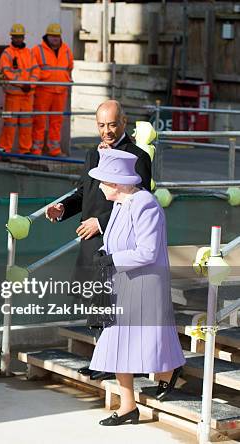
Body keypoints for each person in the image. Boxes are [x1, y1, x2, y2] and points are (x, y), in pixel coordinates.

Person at [45, 100, 151, 378]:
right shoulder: (93, 155)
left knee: (116, 305)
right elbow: (83, 193)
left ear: (124, 123)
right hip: (91, 241)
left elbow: (140, 200)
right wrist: (63, 209)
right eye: (102, 125)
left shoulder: (138, 156)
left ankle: (117, 364)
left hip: (117, 241)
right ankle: (104, 360)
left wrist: (101, 223)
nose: (107, 131)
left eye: (113, 124)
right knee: (97, 305)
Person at [86, 149, 185, 426]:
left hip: (143, 285)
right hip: (122, 283)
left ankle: (167, 372)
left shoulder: (145, 203)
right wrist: (104, 253)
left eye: (104, 181)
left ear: (116, 183)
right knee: (117, 342)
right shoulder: (120, 205)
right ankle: (129, 405)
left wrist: (112, 260)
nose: (100, 186)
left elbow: (148, 252)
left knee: (136, 342)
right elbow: (117, 239)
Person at [32, 23, 74, 156]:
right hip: (43, 90)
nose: (55, 38)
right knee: (39, 120)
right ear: (47, 36)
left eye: (57, 36)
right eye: (52, 36)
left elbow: (69, 67)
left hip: (60, 91)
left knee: (56, 122)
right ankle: (36, 149)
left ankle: (54, 149)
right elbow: (33, 68)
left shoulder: (66, 50)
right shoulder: (37, 50)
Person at [0, 23, 38, 154]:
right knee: (9, 124)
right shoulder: (7, 53)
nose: (18, 39)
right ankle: (5, 149)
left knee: (26, 125)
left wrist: (30, 84)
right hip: (13, 96)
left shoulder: (29, 53)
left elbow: (36, 70)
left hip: (27, 96)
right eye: (15, 37)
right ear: (11, 38)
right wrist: (23, 84)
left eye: (20, 36)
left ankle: (25, 150)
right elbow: (7, 72)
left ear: (23, 37)